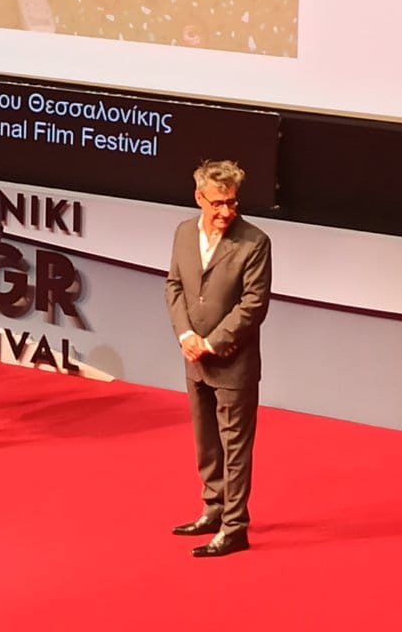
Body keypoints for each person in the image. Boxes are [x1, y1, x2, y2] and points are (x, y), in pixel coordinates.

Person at [165, 159, 273, 558]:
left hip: (232, 363)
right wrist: (186, 335)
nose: (225, 211)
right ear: (199, 197)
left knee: (235, 448)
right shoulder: (182, 233)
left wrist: (211, 342)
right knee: (206, 441)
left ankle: (234, 526)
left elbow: (253, 305)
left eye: (231, 202)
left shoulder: (255, 242)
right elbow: (174, 286)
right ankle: (213, 509)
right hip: (193, 357)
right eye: (217, 203)